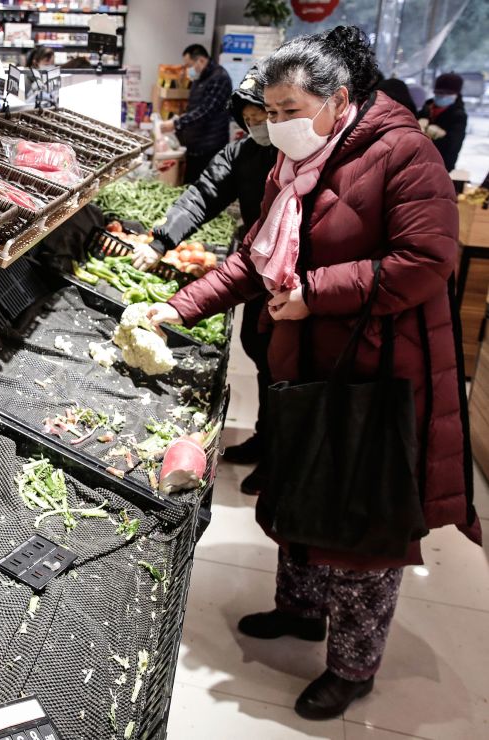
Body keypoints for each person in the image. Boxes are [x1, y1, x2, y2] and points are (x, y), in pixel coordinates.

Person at [147, 26, 482, 720]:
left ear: (341, 99)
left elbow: (425, 261)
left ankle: (355, 665)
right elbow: (253, 257)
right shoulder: (291, 164)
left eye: (292, 108)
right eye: (270, 110)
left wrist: (314, 294)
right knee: (303, 489)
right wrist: (179, 307)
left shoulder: (404, 154)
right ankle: (298, 609)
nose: (279, 124)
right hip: (307, 367)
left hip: (379, 372)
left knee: (362, 519)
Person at [132, 68, 278, 492]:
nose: (257, 126)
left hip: (292, 279)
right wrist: (161, 241)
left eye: (263, 117)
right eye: (249, 119)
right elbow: (203, 194)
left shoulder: (298, 159)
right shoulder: (244, 154)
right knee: (261, 352)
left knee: (283, 367)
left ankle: (277, 458)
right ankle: (264, 438)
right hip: (256, 271)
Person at [159, 44, 233, 184]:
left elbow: (206, 111)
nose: (188, 70)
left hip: (210, 146)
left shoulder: (219, 78)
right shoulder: (200, 77)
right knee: (190, 185)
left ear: (201, 61)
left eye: (189, 65)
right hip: (196, 144)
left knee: (204, 188)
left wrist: (177, 123)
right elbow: (194, 108)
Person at [417, 72, 467, 172]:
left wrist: (428, 136)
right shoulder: (426, 108)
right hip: (417, 161)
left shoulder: (458, 115)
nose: (442, 96)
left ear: (456, 94)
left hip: (441, 165)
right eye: (438, 93)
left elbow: (453, 145)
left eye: (446, 93)